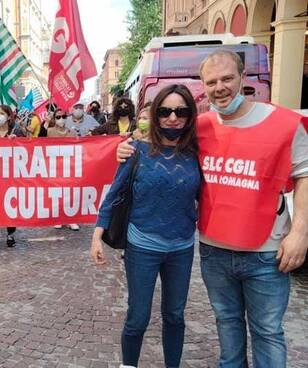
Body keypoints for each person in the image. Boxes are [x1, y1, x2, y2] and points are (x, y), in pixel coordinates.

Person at [117, 50, 308, 367]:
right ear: (203, 86)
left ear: (243, 78)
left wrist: (300, 232)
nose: (220, 87)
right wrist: (123, 148)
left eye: (227, 78)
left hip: (266, 250)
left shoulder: (284, 124)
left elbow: (304, 175)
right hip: (214, 249)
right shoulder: (197, 127)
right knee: (227, 326)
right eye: (212, 81)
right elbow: (154, 142)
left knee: (267, 333)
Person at [93, 84, 201, 368]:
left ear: (190, 115)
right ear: (155, 115)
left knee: (175, 315)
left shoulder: (198, 151)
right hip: (142, 246)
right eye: (165, 111)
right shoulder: (136, 150)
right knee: (138, 316)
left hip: (182, 247)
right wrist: (97, 234)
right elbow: (114, 193)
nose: (173, 118)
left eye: (181, 111)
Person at [0, 105, 25, 256]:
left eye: (2, 113)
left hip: (11, 176)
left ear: (9, 116)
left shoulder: (17, 131)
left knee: (10, 204)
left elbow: (27, 149)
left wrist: (17, 141)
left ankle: (10, 234)